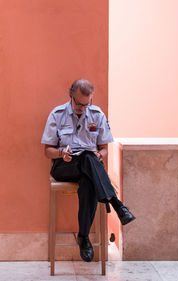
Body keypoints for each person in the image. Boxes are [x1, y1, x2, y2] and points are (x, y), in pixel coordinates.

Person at [41, 78, 135, 262]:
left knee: (89, 181)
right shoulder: (57, 114)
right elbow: (47, 152)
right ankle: (117, 204)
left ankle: (83, 237)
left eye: (86, 104)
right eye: (79, 103)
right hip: (65, 165)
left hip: (89, 168)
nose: (82, 108)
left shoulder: (97, 115)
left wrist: (99, 156)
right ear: (71, 96)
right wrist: (61, 153)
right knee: (86, 157)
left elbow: (104, 149)